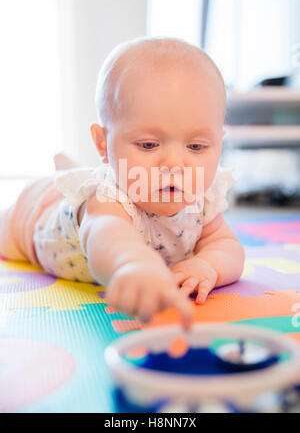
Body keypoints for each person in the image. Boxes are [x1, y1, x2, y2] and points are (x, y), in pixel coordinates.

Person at [0, 37, 245, 329]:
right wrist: (132, 265)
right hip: (31, 218)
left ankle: (71, 168)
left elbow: (227, 246)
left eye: (196, 147)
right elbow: (106, 235)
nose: (175, 165)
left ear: (219, 141)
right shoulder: (107, 201)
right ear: (103, 142)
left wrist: (208, 265)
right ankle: (64, 174)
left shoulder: (201, 200)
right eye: (149, 144)